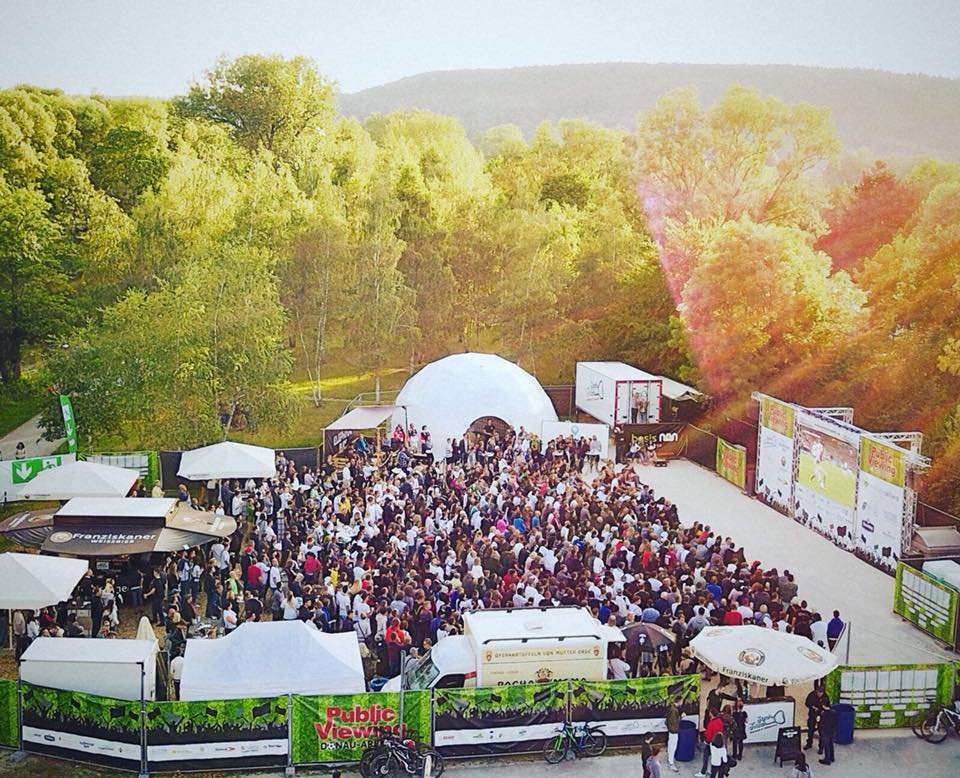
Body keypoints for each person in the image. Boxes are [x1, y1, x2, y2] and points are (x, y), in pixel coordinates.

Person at [665, 697, 681, 773]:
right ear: (680, 701)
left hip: (671, 730)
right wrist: (681, 717)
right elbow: (674, 722)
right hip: (673, 731)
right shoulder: (674, 710)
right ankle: (671, 763)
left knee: (670, 745)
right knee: (673, 747)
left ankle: (670, 759)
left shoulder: (671, 708)